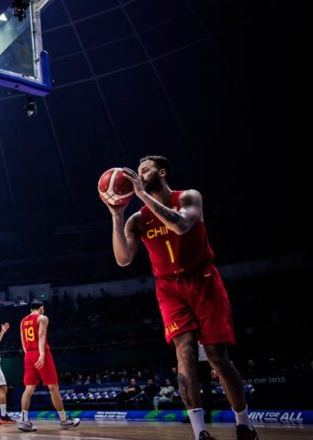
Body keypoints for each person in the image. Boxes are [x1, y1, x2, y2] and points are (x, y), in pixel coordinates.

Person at [106, 155, 258, 440]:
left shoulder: (189, 197)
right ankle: (200, 433)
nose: (139, 174)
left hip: (203, 280)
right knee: (184, 350)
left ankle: (243, 421)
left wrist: (141, 195)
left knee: (217, 358)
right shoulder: (137, 219)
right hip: (169, 288)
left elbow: (180, 225)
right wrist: (117, 216)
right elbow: (123, 259)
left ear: (161, 172)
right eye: (137, 171)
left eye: (145, 169)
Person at [18, 300, 80, 432]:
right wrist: (41, 355)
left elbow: (23, 341)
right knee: (53, 387)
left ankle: (23, 420)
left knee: (28, 388)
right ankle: (64, 420)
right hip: (41, 353)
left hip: (28, 355)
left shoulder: (23, 321)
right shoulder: (42, 318)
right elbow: (41, 337)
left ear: (30, 309)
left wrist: (29, 355)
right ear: (41, 308)